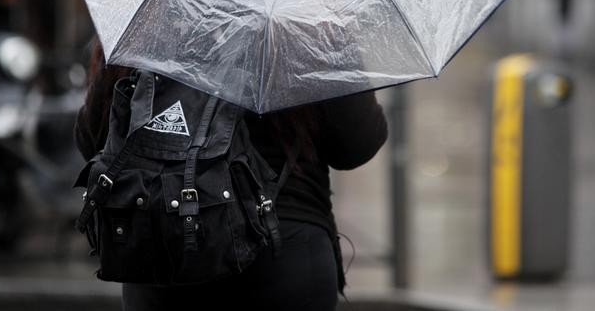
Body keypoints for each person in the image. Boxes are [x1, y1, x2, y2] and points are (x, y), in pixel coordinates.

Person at [74, 38, 389, 311]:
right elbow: (355, 146)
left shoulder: (149, 12)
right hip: (283, 248)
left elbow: (94, 141)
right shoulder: (305, 18)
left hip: (164, 245)